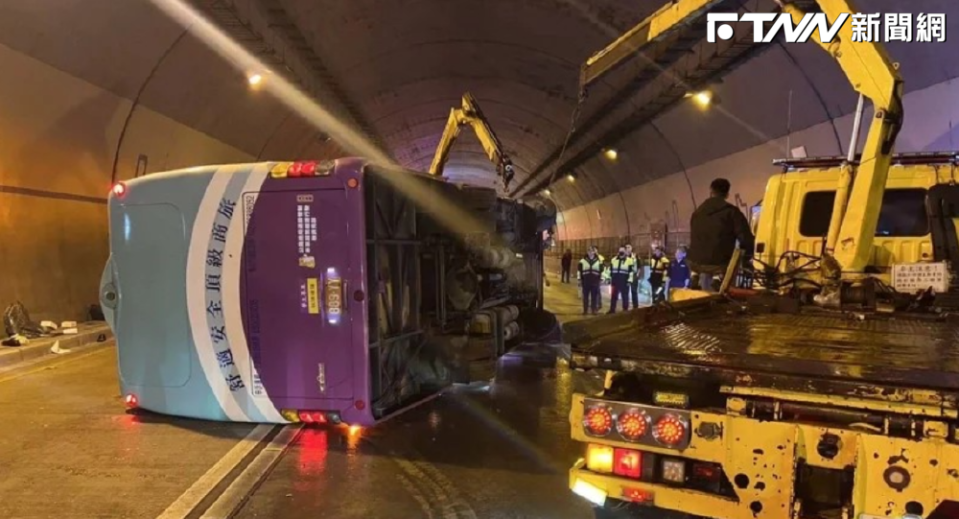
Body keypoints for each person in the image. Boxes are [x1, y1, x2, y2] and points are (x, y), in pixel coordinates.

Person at [688, 178, 755, 292]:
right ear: (727, 194)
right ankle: (718, 278)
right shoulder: (732, 212)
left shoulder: (697, 212)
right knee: (727, 259)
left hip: (695, 262)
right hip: (719, 264)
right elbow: (745, 238)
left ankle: (695, 276)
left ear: (711, 191)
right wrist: (747, 257)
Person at [608, 246, 636, 314]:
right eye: (620, 251)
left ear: (625, 251)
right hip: (615, 281)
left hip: (624, 282)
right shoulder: (613, 259)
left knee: (625, 296)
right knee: (613, 296)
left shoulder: (629, 260)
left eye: (622, 251)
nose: (621, 252)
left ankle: (625, 310)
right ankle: (612, 310)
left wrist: (629, 281)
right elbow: (610, 270)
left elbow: (631, 272)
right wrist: (609, 278)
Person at [578, 246, 603, 315]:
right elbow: (579, 271)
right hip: (586, 281)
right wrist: (579, 279)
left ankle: (593, 310)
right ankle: (585, 310)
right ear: (587, 252)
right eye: (589, 251)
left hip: (595, 282)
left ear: (594, 252)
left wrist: (601, 279)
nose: (590, 252)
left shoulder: (599, 261)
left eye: (591, 251)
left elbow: (602, 270)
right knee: (585, 297)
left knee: (594, 297)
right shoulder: (582, 261)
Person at [625, 244, 641, 308]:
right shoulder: (624, 256)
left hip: (634, 275)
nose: (627, 248)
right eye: (626, 247)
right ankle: (625, 306)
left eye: (629, 247)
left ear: (631, 248)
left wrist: (637, 274)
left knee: (634, 291)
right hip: (626, 275)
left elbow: (639, 266)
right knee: (625, 291)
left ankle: (635, 306)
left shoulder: (635, 256)